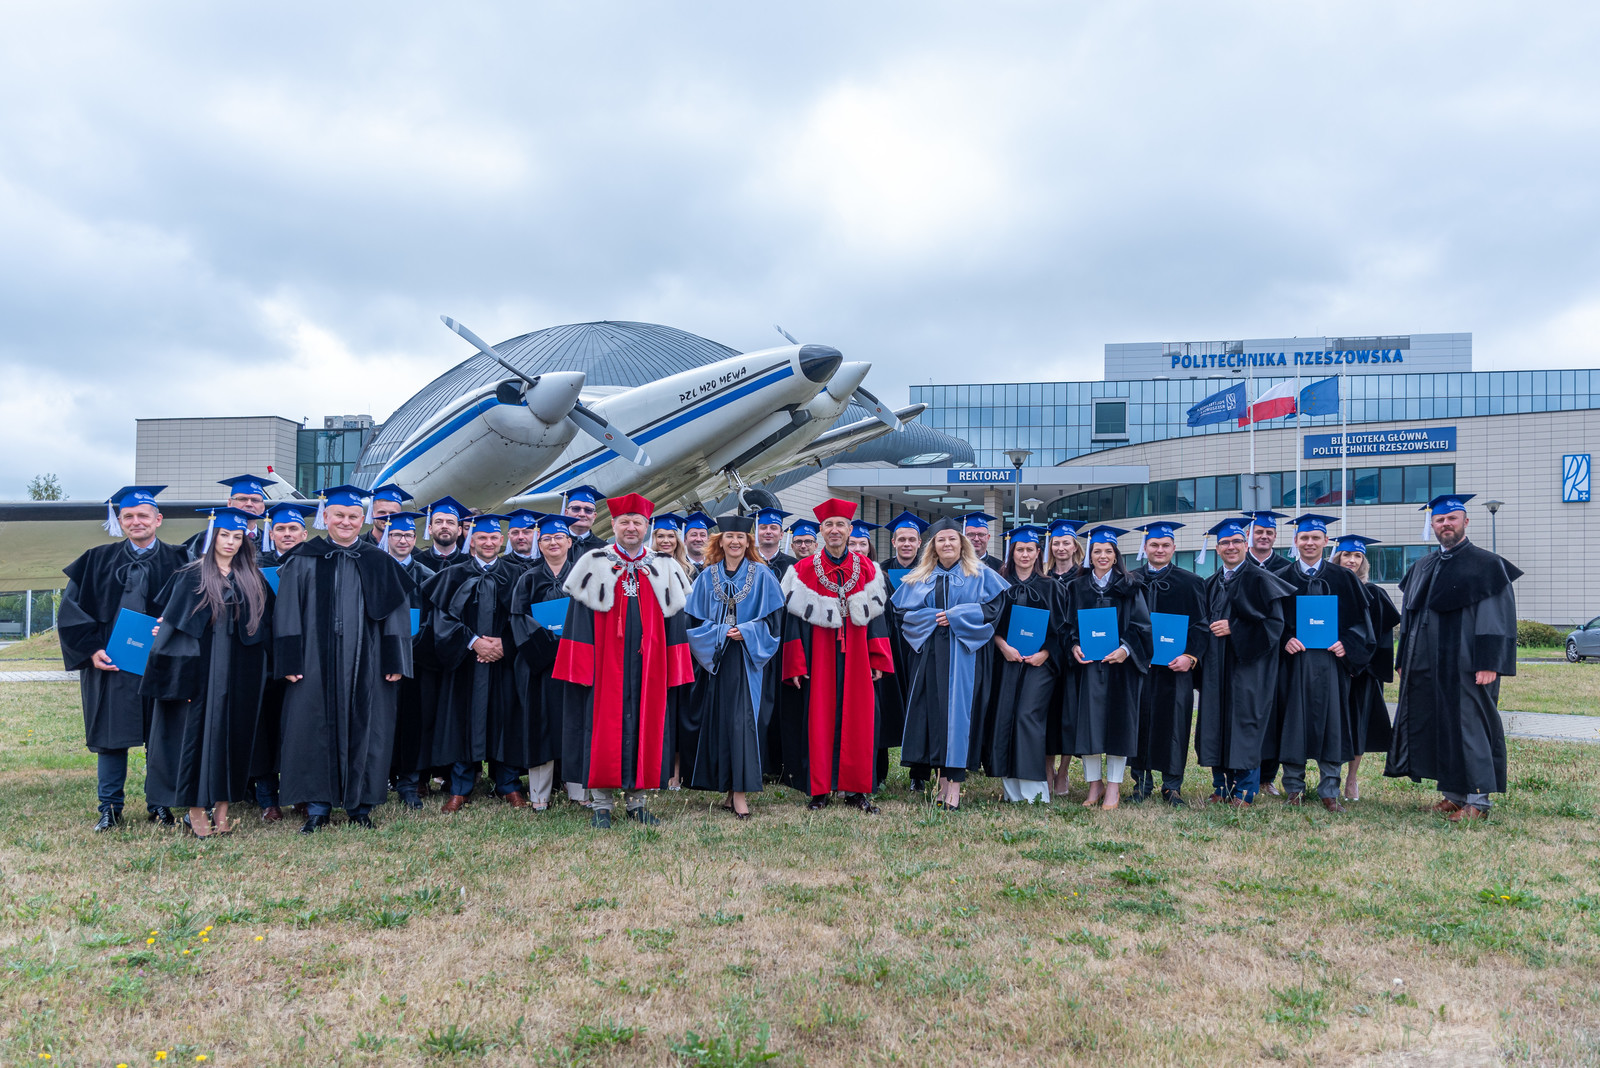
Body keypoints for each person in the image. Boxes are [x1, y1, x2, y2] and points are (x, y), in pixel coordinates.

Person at [274, 485, 413, 833]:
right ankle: (317, 807)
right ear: (326, 517)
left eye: (353, 516)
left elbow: (397, 615)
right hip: (313, 661)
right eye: (339, 515)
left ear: (362, 519)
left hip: (368, 662)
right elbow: (286, 612)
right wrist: (289, 661)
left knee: (369, 728)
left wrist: (396, 660)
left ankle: (360, 807)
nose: (346, 522)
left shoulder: (379, 561)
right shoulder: (303, 558)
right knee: (312, 728)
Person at [554, 493, 695, 828]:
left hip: (650, 666)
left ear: (647, 527)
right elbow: (577, 621)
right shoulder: (593, 563)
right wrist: (580, 666)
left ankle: (637, 803)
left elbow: (676, 623)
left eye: (638, 522)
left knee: (646, 728)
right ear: (614, 525)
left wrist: (676, 666)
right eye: (624, 522)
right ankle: (601, 805)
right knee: (602, 730)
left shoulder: (665, 566)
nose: (631, 527)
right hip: (605, 666)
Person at [59, 486, 190, 830]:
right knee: (110, 737)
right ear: (120, 521)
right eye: (128, 516)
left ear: (158, 519)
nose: (136, 522)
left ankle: (160, 804)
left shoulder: (181, 561)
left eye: (143, 515)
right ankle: (110, 807)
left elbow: (195, 609)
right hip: (110, 664)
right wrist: (91, 649)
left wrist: (172, 625)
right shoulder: (95, 560)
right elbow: (70, 611)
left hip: (161, 663)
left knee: (162, 736)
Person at [1386, 494, 1521, 822]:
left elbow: (1496, 618)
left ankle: (1478, 800)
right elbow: (1410, 616)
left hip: (1466, 662)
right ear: (1432, 525)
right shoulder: (1423, 566)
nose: (1445, 524)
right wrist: (1404, 658)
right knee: (1440, 724)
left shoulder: (1487, 565)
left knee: (1470, 725)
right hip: (1427, 664)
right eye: (1440, 520)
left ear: (1465, 522)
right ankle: (1454, 795)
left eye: (1452, 519)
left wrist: (1490, 662)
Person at [143, 506, 273, 838]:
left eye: (237, 537)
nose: (230, 542)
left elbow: (266, 630)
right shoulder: (191, 576)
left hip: (238, 673)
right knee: (195, 739)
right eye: (224, 535)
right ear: (213, 535)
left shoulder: (254, 579)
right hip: (199, 673)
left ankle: (223, 810)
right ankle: (196, 811)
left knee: (233, 738)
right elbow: (173, 625)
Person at [778, 498, 894, 813]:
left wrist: (878, 657)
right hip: (819, 654)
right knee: (819, 719)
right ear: (821, 530)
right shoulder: (802, 570)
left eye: (840, 524)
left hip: (857, 654)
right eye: (829, 525)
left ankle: (856, 790)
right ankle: (819, 790)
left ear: (849, 529)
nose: (834, 530)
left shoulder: (868, 569)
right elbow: (792, 622)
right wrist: (796, 663)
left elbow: (878, 618)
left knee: (860, 720)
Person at [425, 514, 540, 810]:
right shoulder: (454, 575)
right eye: (482, 538)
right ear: (472, 541)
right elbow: (442, 619)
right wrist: (473, 641)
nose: (488, 543)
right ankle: (460, 787)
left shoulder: (518, 575)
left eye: (493, 538)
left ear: (501, 541)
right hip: (465, 663)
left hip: (505, 664)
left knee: (507, 720)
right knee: (463, 721)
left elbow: (528, 618)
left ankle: (508, 785)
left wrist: (505, 645)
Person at [892, 518, 1008, 810]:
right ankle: (941, 783)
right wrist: (932, 617)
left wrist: (956, 615)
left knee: (960, 718)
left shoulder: (981, 574)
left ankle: (954, 787)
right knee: (933, 716)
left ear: (962, 543)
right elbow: (901, 613)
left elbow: (993, 610)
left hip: (966, 657)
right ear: (932, 546)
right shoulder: (920, 576)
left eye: (952, 539)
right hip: (929, 657)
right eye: (941, 540)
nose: (947, 544)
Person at [1266, 514, 1375, 812]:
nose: (1310, 542)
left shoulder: (1344, 579)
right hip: (1294, 664)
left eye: (1315, 537)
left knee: (1333, 724)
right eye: (1304, 537)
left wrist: (1347, 644)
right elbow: (1269, 622)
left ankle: (1330, 790)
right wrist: (1284, 639)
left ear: (1326, 541)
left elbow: (1361, 624)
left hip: (1331, 664)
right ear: (1296, 541)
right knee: (1293, 723)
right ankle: (1294, 788)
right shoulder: (1281, 578)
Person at [683, 515, 787, 819]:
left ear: (748, 541)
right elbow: (692, 621)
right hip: (715, 661)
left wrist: (748, 631)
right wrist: (717, 633)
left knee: (742, 723)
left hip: (747, 660)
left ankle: (740, 794)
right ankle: (727, 789)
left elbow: (775, 621)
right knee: (721, 724)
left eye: (741, 537)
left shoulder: (763, 575)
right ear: (720, 540)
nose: (735, 541)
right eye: (729, 536)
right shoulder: (707, 576)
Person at [1195, 518, 1295, 806]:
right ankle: (1221, 786)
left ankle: (1246, 791)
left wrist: (1235, 628)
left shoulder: (1260, 579)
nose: (1231, 547)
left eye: (1237, 541)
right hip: (1216, 668)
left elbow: (1274, 625)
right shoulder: (1210, 583)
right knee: (1215, 722)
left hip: (1249, 667)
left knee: (1246, 723)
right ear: (1217, 548)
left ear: (1245, 544)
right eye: (1225, 543)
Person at [1061, 525, 1151, 810]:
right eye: (1097, 551)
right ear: (1089, 555)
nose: (1102, 555)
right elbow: (1067, 626)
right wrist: (1074, 646)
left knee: (1118, 726)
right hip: (1088, 669)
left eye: (1108, 551)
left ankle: (1113, 786)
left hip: (1120, 669)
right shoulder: (1076, 587)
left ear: (1115, 556)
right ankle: (1094, 784)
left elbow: (1142, 626)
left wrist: (1125, 650)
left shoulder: (1130, 585)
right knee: (1088, 726)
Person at [1128, 522, 1210, 806]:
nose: (1160, 550)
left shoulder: (1191, 582)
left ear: (1174, 548)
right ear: (1145, 547)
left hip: (1176, 668)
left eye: (1165, 545)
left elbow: (1201, 625)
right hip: (1140, 667)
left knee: (1174, 723)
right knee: (1138, 722)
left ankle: (1172, 785)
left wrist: (1190, 656)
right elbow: (1124, 623)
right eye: (1154, 545)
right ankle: (1141, 783)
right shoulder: (1131, 580)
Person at [982, 525, 1063, 803]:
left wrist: (1046, 654)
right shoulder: (999, 584)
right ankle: (1011, 790)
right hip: (1006, 661)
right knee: (1005, 716)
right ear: (1012, 552)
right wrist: (1003, 647)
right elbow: (989, 624)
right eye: (1020, 549)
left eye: (1030, 549)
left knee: (1027, 715)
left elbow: (1062, 629)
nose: (1025, 554)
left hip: (1040, 665)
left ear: (1038, 552)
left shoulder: (1051, 587)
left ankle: (1034, 791)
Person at [249, 501, 316, 820]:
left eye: (293, 528)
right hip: (262, 660)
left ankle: (301, 794)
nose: (287, 533)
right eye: (280, 529)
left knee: (300, 729)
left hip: (304, 660)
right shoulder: (254, 566)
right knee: (264, 729)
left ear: (304, 533)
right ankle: (268, 800)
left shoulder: (317, 563)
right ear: (271, 533)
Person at [510, 514, 579, 811]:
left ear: (569, 542)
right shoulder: (528, 578)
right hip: (539, 666)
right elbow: (519, 619)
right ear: (539, 544)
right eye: (547, 538)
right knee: (540, 726)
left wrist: (572, 645)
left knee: (577, 723)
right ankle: (540, 796)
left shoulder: (583, 576)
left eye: (559, 537)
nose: (553, 543)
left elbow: (594, 615)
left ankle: (579, 791)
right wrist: (551, 646)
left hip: (577, 661)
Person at [1331, 535, 1401, 802]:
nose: (1351, 560)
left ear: (1363, 561)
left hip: (1363, 673)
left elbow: (1381, 638)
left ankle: (1351, 779)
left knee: (1358, 726)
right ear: (1337, 558)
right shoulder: (1325, 588)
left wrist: (1361, 662)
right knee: (1332, 724)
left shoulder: (1374, 593)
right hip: (1331, 667)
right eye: (1346, 555)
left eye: (1357, 556)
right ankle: (1330, 779)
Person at [383, 510, 441, 810]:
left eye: (407, 535)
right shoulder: (375, 569)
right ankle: (379, 778)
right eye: (396, 535)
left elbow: (433, 621)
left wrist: (412, 647)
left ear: (415, 538)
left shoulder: (427, 576)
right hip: (380, 661)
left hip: (416, 661)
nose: (402, 540)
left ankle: (409, 782)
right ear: (387, 537)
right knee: (380, 721)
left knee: (412, 722)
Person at [1243, 509, 1293, 794]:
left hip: (1279, 654)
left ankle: (1267, 777)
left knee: (1275, 713)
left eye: (1269, 532)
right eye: (1259, 531)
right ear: (1249, 534)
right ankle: (1241, 771)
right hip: (1245, 652)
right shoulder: (1237, 565)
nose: (1263, 536)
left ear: (1275, 536)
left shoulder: (1287, 569)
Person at [878, 511, 927, 790]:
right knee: (884, 706)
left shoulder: (930, 570)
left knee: (921, 708)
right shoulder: (879, 571)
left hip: (920, 647)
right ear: (893, 542)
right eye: (902, 539)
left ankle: (919, 775)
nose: (906, 544)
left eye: (912, 539)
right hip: (889, 647)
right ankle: (879, 773)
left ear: (919, 542)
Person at [1043, 518, 1084, 796]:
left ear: (1075, 547)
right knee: (1047, 711)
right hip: (1047, 653)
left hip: (1074, 655)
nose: (1060, 547)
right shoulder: (1043, 577)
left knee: (1069, 713)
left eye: (1065, 543)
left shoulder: (1084, 577)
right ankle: (1047, 769)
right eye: (1056, 543)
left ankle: (1064, 770)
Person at [183, 474, 271, 559]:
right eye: (242, 499)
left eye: (255, 500)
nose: (249, 504)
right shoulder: (205, 539)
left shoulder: (272, 541)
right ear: (229, 503)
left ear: (263, 507)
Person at [416, 496, 470, 571]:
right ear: (430, 529)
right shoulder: (416, 563)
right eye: (439, 522)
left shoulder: (471, 564)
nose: (444, 526)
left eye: (450, 522)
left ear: (459, 530)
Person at [561, 485, 608, 559]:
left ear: (594, 516)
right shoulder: (554, 545)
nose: (582, 514)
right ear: (566, 513)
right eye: (576, 509)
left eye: (588, 510)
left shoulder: (605, 550)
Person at [753, 507, 797, 576]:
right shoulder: (746, 561)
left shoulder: (793, 565)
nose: (768, 531)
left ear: (781, 534)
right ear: (756, 533)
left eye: (773, 528)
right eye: (763, 528)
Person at [652, 513, 695, 578]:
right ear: (654, 539)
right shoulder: (647, 568)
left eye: (671, 536)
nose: (666, 541)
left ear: (677, 540)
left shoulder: (690, 571)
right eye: (660, 536)